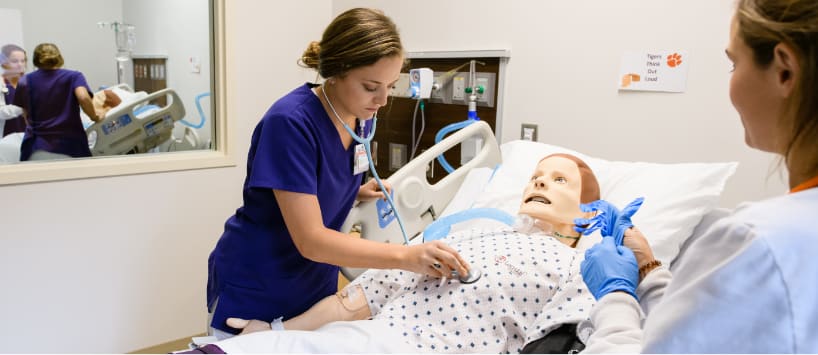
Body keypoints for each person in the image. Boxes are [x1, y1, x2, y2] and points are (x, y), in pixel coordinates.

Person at [205, 8, 470, 340]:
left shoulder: (360, 116)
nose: (383, 100)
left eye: (390, 85)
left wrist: (356, 190)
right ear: (335, 72)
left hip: (313, 285)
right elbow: (311, 239)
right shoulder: (290, 123)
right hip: (261, 282)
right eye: (371, 86)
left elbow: (318, 176)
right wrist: (407, 256)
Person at [577, 0, 818, 352]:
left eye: (734, 63)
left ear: (784, 71)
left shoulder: (757, 244)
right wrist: (648, 268)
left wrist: (614, 297)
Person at [187, 153, 601, 353]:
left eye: (559, 180)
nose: (540, 184)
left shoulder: (583, 266)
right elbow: (353, 303)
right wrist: (276, 332)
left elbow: (567, 339)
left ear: (587, 214)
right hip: (371, 340)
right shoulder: (473, 238)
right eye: (535, 176)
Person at [12, 43, 107, 161]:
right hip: (70, 148)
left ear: (36, 60)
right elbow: (83, 97)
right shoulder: (74, 76)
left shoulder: (25, 81)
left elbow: (26, 115)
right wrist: (95, 116)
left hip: (36, 148)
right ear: (59, 58)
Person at [1, 44, 27, 137]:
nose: (20, 64)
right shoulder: (2, 83)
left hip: (27, 136)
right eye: (14, 61)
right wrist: (23, 108)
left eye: (23, 61)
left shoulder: (30, 82)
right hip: (5, 138)